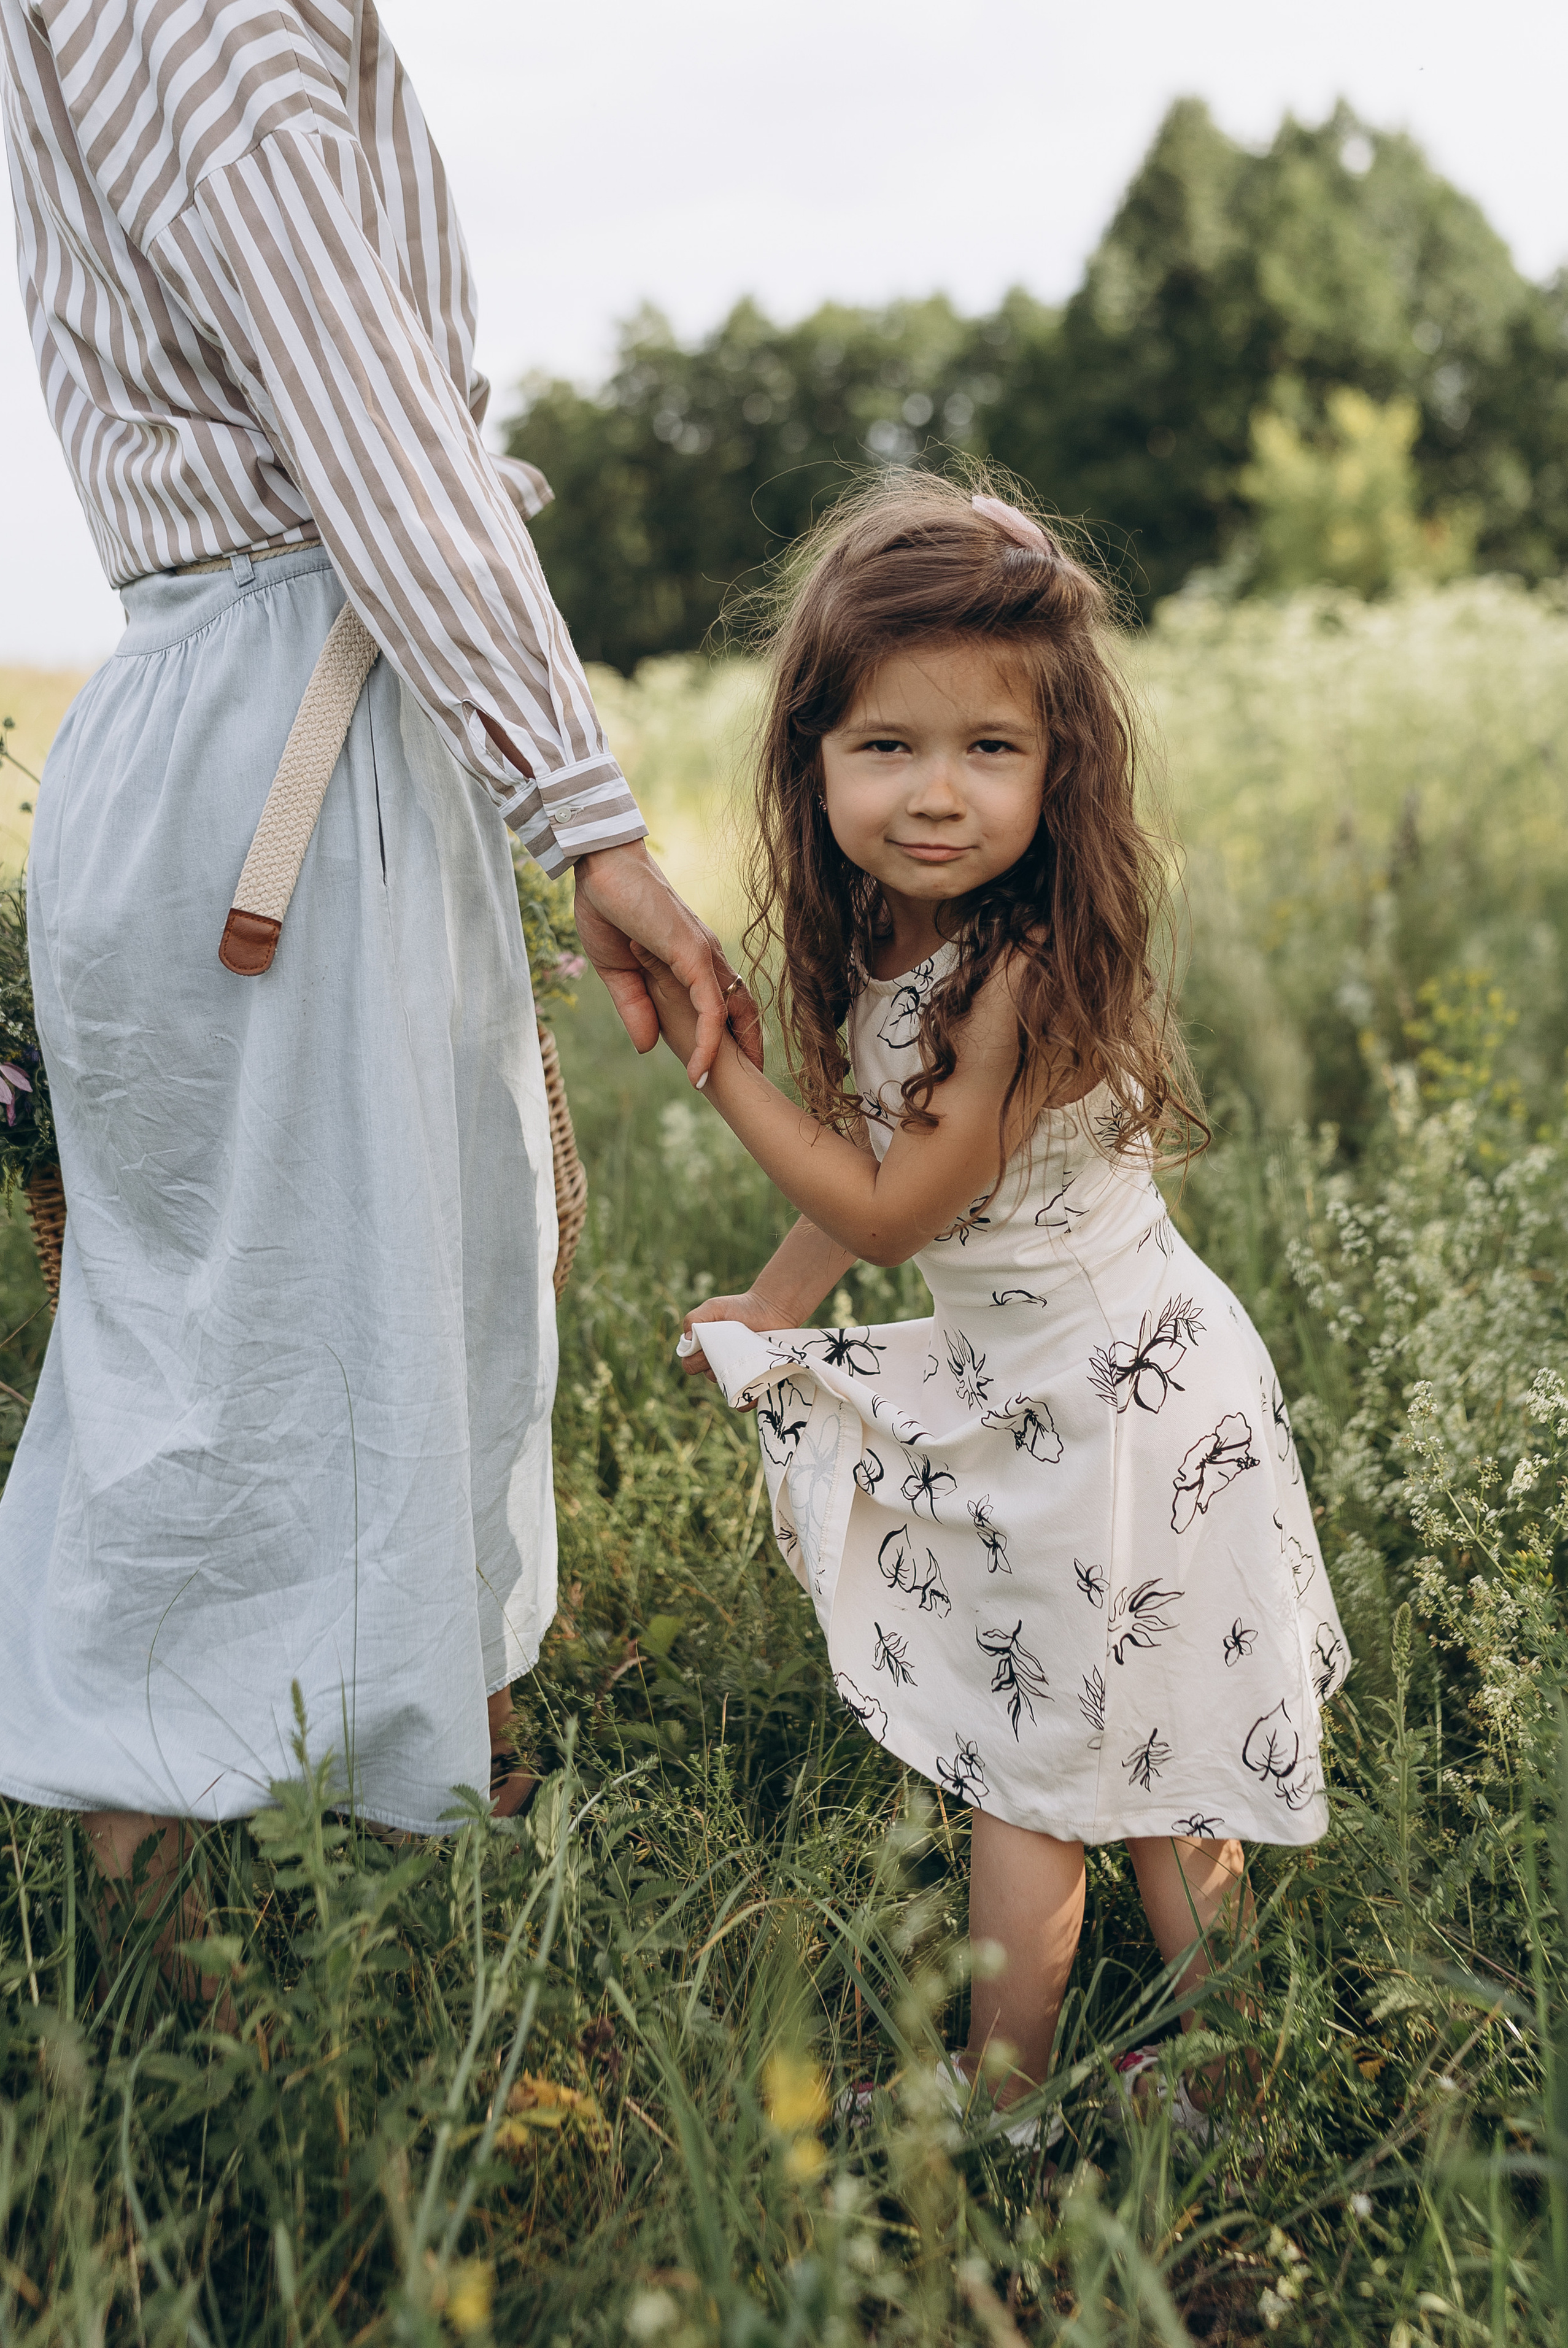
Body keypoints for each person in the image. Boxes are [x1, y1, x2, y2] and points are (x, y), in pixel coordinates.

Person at [0, 0, 759, 1904]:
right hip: (287, 723)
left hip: (238, 706)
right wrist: (584, 812)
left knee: (397, 1276)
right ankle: (167, 1918)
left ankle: (436, 1800)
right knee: (259, 1329)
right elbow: (371, 424)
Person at [651, 474, 1350, 2134]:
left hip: (1119, 1397)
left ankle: (1011, 2091)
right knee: (1140, 1727)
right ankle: (1223, 2064)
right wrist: (764, 1305)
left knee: (1042, 1758)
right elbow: (877, 1162)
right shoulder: (906, 938)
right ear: (812, 759)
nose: (937, 794)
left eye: (990, 750)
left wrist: (722, 1068)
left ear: (1060, 768)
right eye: (886, 748)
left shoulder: (1026, 967)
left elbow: (896, 1204)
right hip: (1076, 1379)